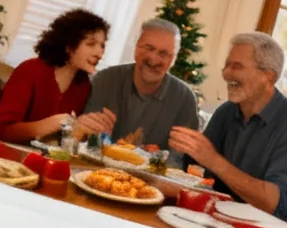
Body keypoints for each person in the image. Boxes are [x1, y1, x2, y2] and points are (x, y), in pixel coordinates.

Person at [168, 32, 287, 228]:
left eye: (237, 66)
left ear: (268, 76)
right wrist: (184, 150)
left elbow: (275, 204)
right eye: (226, 65)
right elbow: (199, 170)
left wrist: (213, 159)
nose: (226, 74)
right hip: (218, 221)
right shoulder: (227, 111)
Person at [74, 19, 199, 159]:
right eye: (149, 48)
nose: (154, 58)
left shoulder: (185, 99)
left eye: (164, 53)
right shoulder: (104, 80)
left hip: (151, 179)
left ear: (174, 59)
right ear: (136, 47)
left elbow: (180, 161)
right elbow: (81, 140)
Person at [0, 8, 108, 144]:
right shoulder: (29, 70)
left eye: (102, 45)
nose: (99, 53)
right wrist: (44, 126)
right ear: (69, 45)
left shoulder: (83, 85)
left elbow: (64, 140)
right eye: (91, 44)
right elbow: (1, 129)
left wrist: (86, 132)